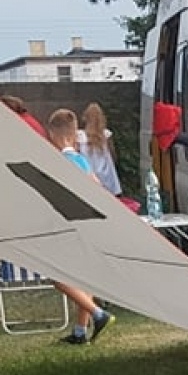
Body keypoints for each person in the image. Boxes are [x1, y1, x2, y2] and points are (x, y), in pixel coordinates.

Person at [45, 107, 114, 347]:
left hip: (68, 226)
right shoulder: (82, 160)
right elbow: (97, 188)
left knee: (56, 275)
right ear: (75, 135)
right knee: (84, 278)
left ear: (53, 136)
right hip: (88, 226)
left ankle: (97, 313)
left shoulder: (58, 163)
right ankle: (79, 331)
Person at [77, 102, 123, 197]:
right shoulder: (106, 135)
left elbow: (77, 154)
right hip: (106, 173)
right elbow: (113, 154)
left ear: (85, 117)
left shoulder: (80, 136)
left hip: (88, 172)